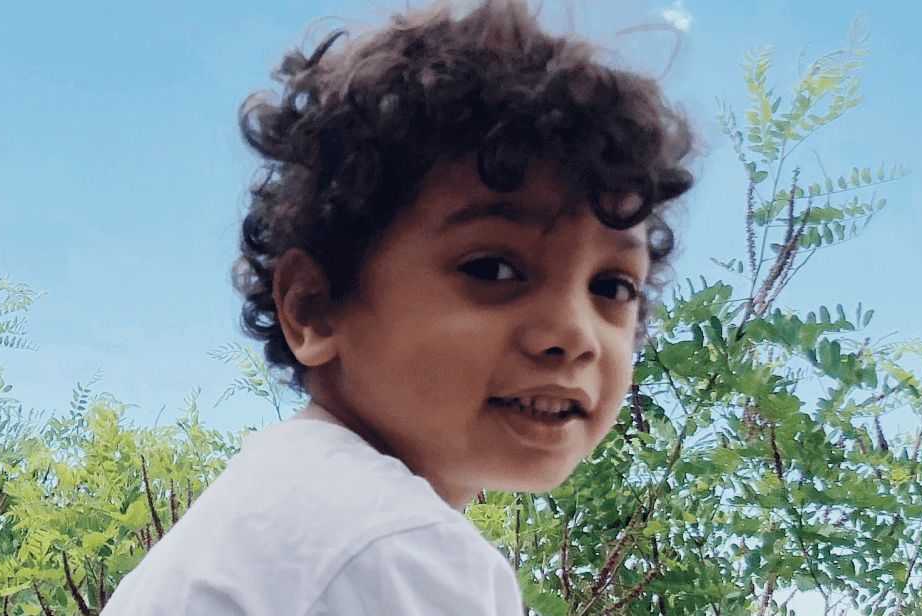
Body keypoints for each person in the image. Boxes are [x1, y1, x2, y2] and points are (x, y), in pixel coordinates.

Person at [101, 0, 695, 613]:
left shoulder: (270, 517)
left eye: (613, 287)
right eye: (492, 269)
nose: (573, 334)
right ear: (314, 308)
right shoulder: (393, 550)